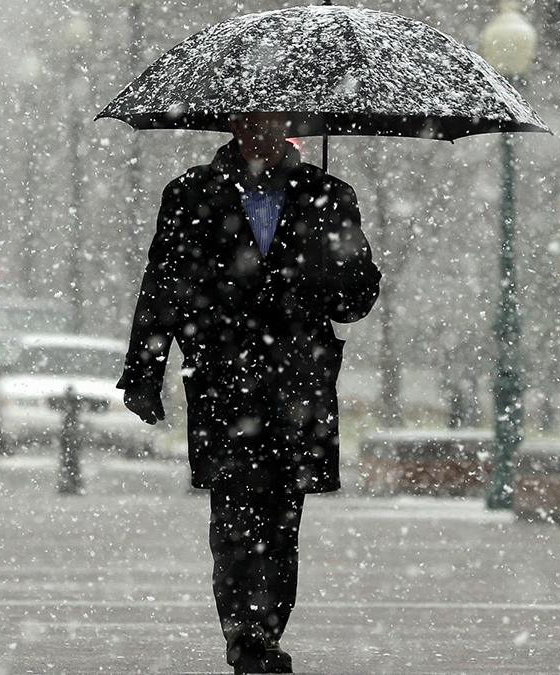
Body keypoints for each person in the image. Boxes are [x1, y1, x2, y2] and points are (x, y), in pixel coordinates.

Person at [118, 113, 381, 674]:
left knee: (283, 520)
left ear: (295, 126)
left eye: (275, 121)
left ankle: (264, 631)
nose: (262, 132)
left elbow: (354, 303)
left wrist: (335, 264)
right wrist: (144, 368)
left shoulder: (329, 197)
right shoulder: (192, 194)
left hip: (298, 386)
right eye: (251, 120)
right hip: (224, 383)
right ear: (233, 124)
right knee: (234, 519)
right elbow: (164, 283)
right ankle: (246, 639)